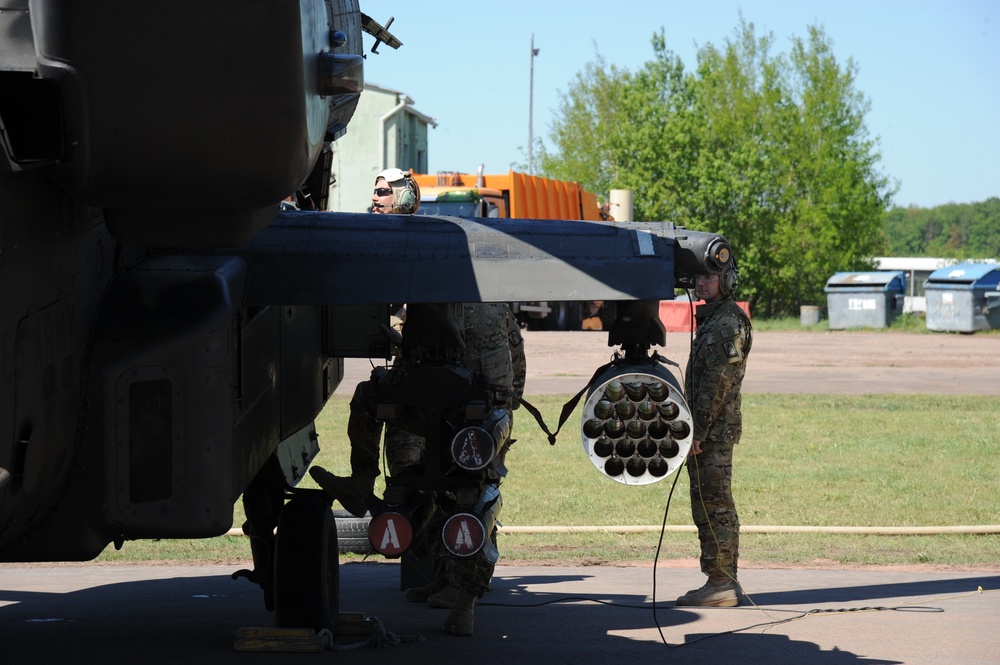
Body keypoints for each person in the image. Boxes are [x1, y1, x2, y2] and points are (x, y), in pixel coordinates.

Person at [309, 168, 526, 636]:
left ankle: (459, 595)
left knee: (455, 494)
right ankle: (453, 589)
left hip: (461, 409)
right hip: (471, 410)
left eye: (385, 193)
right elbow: (512, 356)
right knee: (456, 494)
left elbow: (458, 355)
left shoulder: (438, 282)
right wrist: (507, 409)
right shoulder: (481, 292)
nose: (377, 199)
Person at [677, 259, 752, 608]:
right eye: (699, 277)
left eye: (709, 276)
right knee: (708, 504)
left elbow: (716, 386)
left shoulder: (727, 323)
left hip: (711, 434)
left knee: (714, 507)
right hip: (707, 432)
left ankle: (721, 582)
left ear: (727, 279)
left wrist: (697, 432)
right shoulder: (715, 319)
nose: (701, 283)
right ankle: (720, 580)